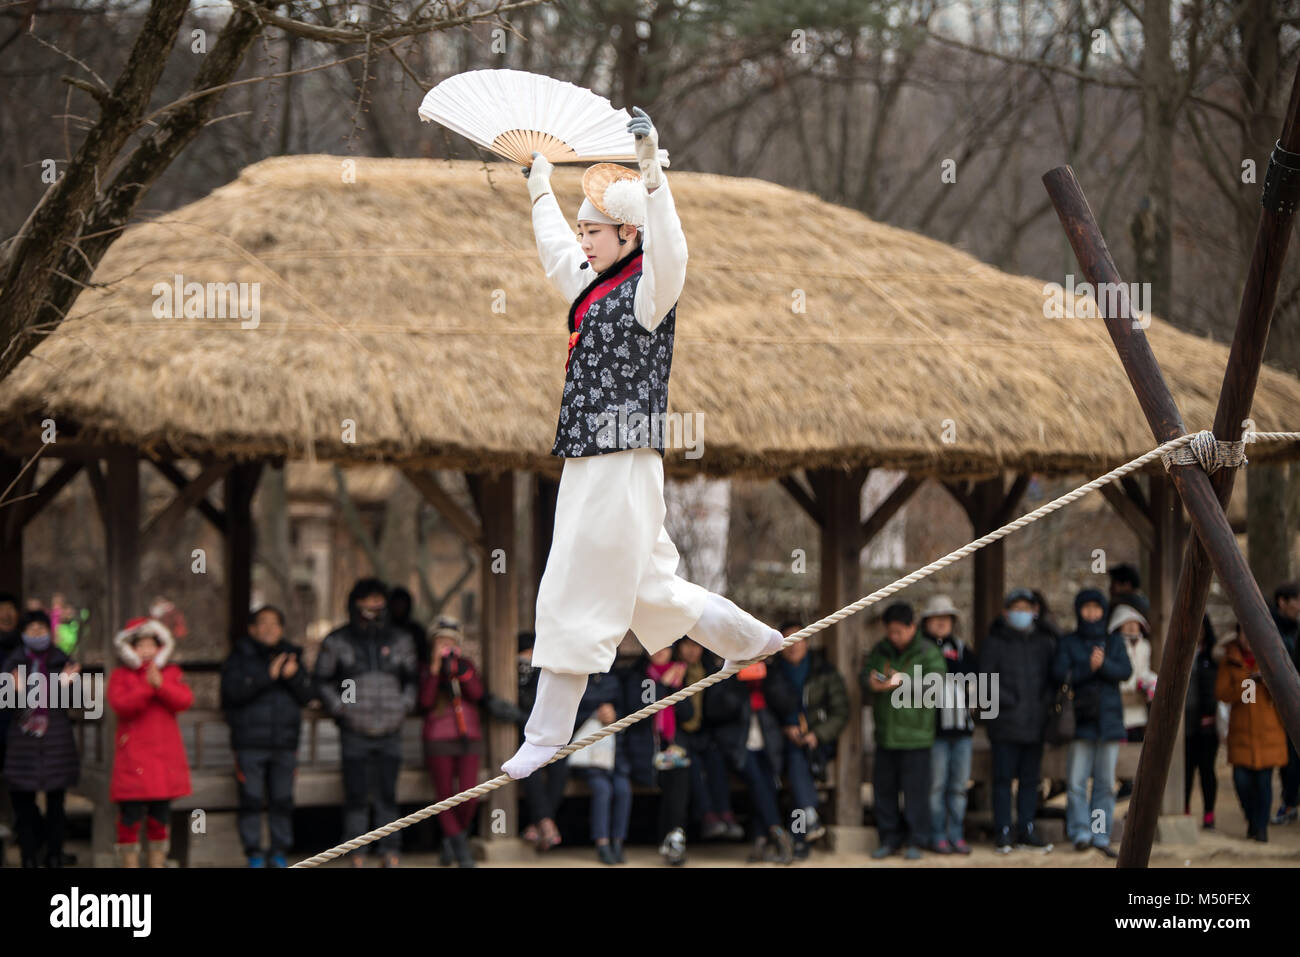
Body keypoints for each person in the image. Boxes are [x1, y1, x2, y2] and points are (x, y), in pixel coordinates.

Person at [502, 107, 786, 781]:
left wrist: (653, 173)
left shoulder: (649, 293)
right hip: (592, 458)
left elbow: (674, 251)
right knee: (650, 589)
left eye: (594, 231)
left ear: (628, 232)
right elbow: (554, 255)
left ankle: (546, 732)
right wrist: (540, 187)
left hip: (622, 456)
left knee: (571, 586)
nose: (584, 241)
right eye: (583, 231)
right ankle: (750, 637)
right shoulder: (592, 288)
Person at [312, 578, 418, 867]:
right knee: (356, 794)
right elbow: (321, 681)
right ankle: (356, 852)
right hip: (354, 731)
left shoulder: (401, 639)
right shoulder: (337, 640)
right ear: (354, 603)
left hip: (391, 729)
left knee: (388, 794)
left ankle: (390, 851)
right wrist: (340, 708)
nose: (373, 605)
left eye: (377, 599)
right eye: (367, 599)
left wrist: (403, 706)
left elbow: (412, 681)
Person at [220, 605, 314, 867]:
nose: (269, 628)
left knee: (282, 800)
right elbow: (231, 695)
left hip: (285, 744)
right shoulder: (239, 656)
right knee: (250, 800)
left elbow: (309, 696)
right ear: (252, 629)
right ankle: (254, 855)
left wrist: (293, 678)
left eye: (275, 623)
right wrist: (267, 676)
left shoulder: (292, 656)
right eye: (263, 623)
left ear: (282, 629)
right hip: (249, 744)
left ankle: (279, 853)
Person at [861, 601, 944, 860]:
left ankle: (916, 840)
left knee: (915, 793)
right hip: (886, 734)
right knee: (883, 791)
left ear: (912, 627)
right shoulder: (881, 650)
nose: (894, 637)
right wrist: (872, 683)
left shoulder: (928, 651)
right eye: (890, 631)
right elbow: (865, 676)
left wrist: (903, 682)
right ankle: (888, 839)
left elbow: (936, 685)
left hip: (917, 736)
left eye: (899, 631)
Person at [108, 617, 193, 867]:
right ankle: (130, 864)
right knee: (129, 819)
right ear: (129, 648)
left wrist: (161, 686)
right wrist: (148, 687)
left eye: (150, 645)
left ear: (160, 647)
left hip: (163, 759)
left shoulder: (171, 673)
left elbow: (184, 700)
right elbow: (121, 705)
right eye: (140, 646)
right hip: (132, 760)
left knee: (160, 817)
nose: (146, 651)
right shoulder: (121, 676)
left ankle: (157, 863)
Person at [1052, 590, 1131, 857]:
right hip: (1079, 723)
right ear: (1078, 611)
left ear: (1103, 611)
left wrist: (1103, 664)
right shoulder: (1069, 642)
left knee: (1105, 784)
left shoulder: (1114, 640)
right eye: (1086, 608)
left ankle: (1100, 835)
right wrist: (1090, 667)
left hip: (1109, 724)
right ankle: (1080, 833)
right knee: (1076, 783)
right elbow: (1060, 673)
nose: (1092, 614)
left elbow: (1125, 671)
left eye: (1096, 609)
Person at [979, 587, 1056, 853]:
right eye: (1016, 608)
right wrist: (1010, 701)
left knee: (1030, 781)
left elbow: (1053, 679)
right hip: (1004, 725)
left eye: (1026, 608)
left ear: (1035, 611)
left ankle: (1026, 829)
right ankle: (1002, 831)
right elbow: (984, 680)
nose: (1021, 613)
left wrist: (1042, 703)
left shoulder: (1045, 643)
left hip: (1036, 725)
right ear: (1005, 612)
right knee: (1002, 780)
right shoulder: (994, 643)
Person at [2, 609, 81, 867]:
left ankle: (54, 854)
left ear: (49, 631)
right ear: (23, 634)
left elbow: (77, 703)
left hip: (56, 742)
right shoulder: (13, 663)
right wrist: (15, 692)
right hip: (22, 745)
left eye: (41, 628)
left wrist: (69, 685)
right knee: (24, 805)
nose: (37, 633)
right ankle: (28, 855)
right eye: (31, 629)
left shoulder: (62, 660)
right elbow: (6, 706)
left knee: (57, 804)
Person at [773, 620, 847, 859]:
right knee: (796, 763)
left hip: (818, 742)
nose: (793, 646)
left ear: (808, 642)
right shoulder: (773, 672)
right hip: (782, 743)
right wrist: (786, 728)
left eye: (799, 639)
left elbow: (840, 711)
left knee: (798, 767)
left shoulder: (824, 671)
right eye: (788, 641)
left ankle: (800, 835)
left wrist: (818, 734)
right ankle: (806, 825)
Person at [619, 645, 696, 865]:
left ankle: (675, 836)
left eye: (667, 647)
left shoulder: (679, 673)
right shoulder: (639, 676)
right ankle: (672, 836)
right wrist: (663, 685)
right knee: (674, 775)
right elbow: (640, 710)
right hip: (644, 747)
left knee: (680, 774)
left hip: (671, 747)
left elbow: (688, 715)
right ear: (645, 650)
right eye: (656, 646)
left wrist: (676, 687)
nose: (661, 651)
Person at [420, 617, 483, 868]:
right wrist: (436, 670)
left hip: (469, 736)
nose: (446, 646)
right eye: (441, 642)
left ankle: (451, 840)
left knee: (470, 795)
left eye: (450, 642)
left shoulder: (466, 666)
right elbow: (424, 702)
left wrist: (459, 670)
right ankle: (461, 848)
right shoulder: (426, 669)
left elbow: (477, 694)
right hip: (438, 737)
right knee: (444, 797)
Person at [1217, 623, 1287, 841]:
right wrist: (1247, 684)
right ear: (1238, 635)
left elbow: (1285, 691)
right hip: (1241, 732)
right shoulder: (1230, 661)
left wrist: (1266, 682)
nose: (1247, 638)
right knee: (1242, 783)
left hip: (1268, 732)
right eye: (1243, 633)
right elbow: (1222, 693)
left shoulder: (1271, 657)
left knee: (1264, 784)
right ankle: (1252, 820)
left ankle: (1261, 827)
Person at [919, 595, 977, 855]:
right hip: (935, 731)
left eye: (946, 618)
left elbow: (975, 680)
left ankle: (956, 834)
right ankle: (937, 835)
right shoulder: (920, 649)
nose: (941, 623)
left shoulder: (964, 649)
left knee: (958, 787)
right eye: (936, 618)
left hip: (962, 729)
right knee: (936, 787)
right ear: (927, 622)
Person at [514, 631, 570, 852]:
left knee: (560, 768)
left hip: (547, 734)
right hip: (519, 737)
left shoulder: (546, 672)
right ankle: (546, 824)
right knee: (529, 768)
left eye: (531, 654)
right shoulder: (508, 674)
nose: (527, 660)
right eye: (523, 655)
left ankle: (540, 824)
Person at [574, 668, 631, 865]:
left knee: (623, 790)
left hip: (615, 754)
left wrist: (614, 716)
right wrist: (593, 714)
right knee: (602, 789)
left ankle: (618, 842)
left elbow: (629, 713)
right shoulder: (577, 677)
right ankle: (602, 843)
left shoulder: (614, 679)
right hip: (588, 755)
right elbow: (566, 715)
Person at [1185, 616, 1220, 830]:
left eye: (1201, 629)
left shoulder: (1214, 654)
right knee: (1185, 769)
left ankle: (1209, 813)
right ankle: (1185, 808)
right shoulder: (1178, 652)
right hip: (1184, 723)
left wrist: (1212, 710)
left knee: (1207, 770)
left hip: (1208, 721)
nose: (1197, 633)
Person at [1269, 582, 1299, 825]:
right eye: (1295, 601)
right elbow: (1245, 681)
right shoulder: (1266, 629)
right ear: (1282, 601)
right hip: (1268, 702)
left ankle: (1290, 803)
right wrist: (1249, 699)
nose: (1299, 607)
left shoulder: (1295, 629)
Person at [388, 586, 431, 670]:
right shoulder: (383, 630)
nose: (399, 607)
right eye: (396, 604)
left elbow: (423, 656)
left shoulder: (416, 630)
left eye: (402, 604)